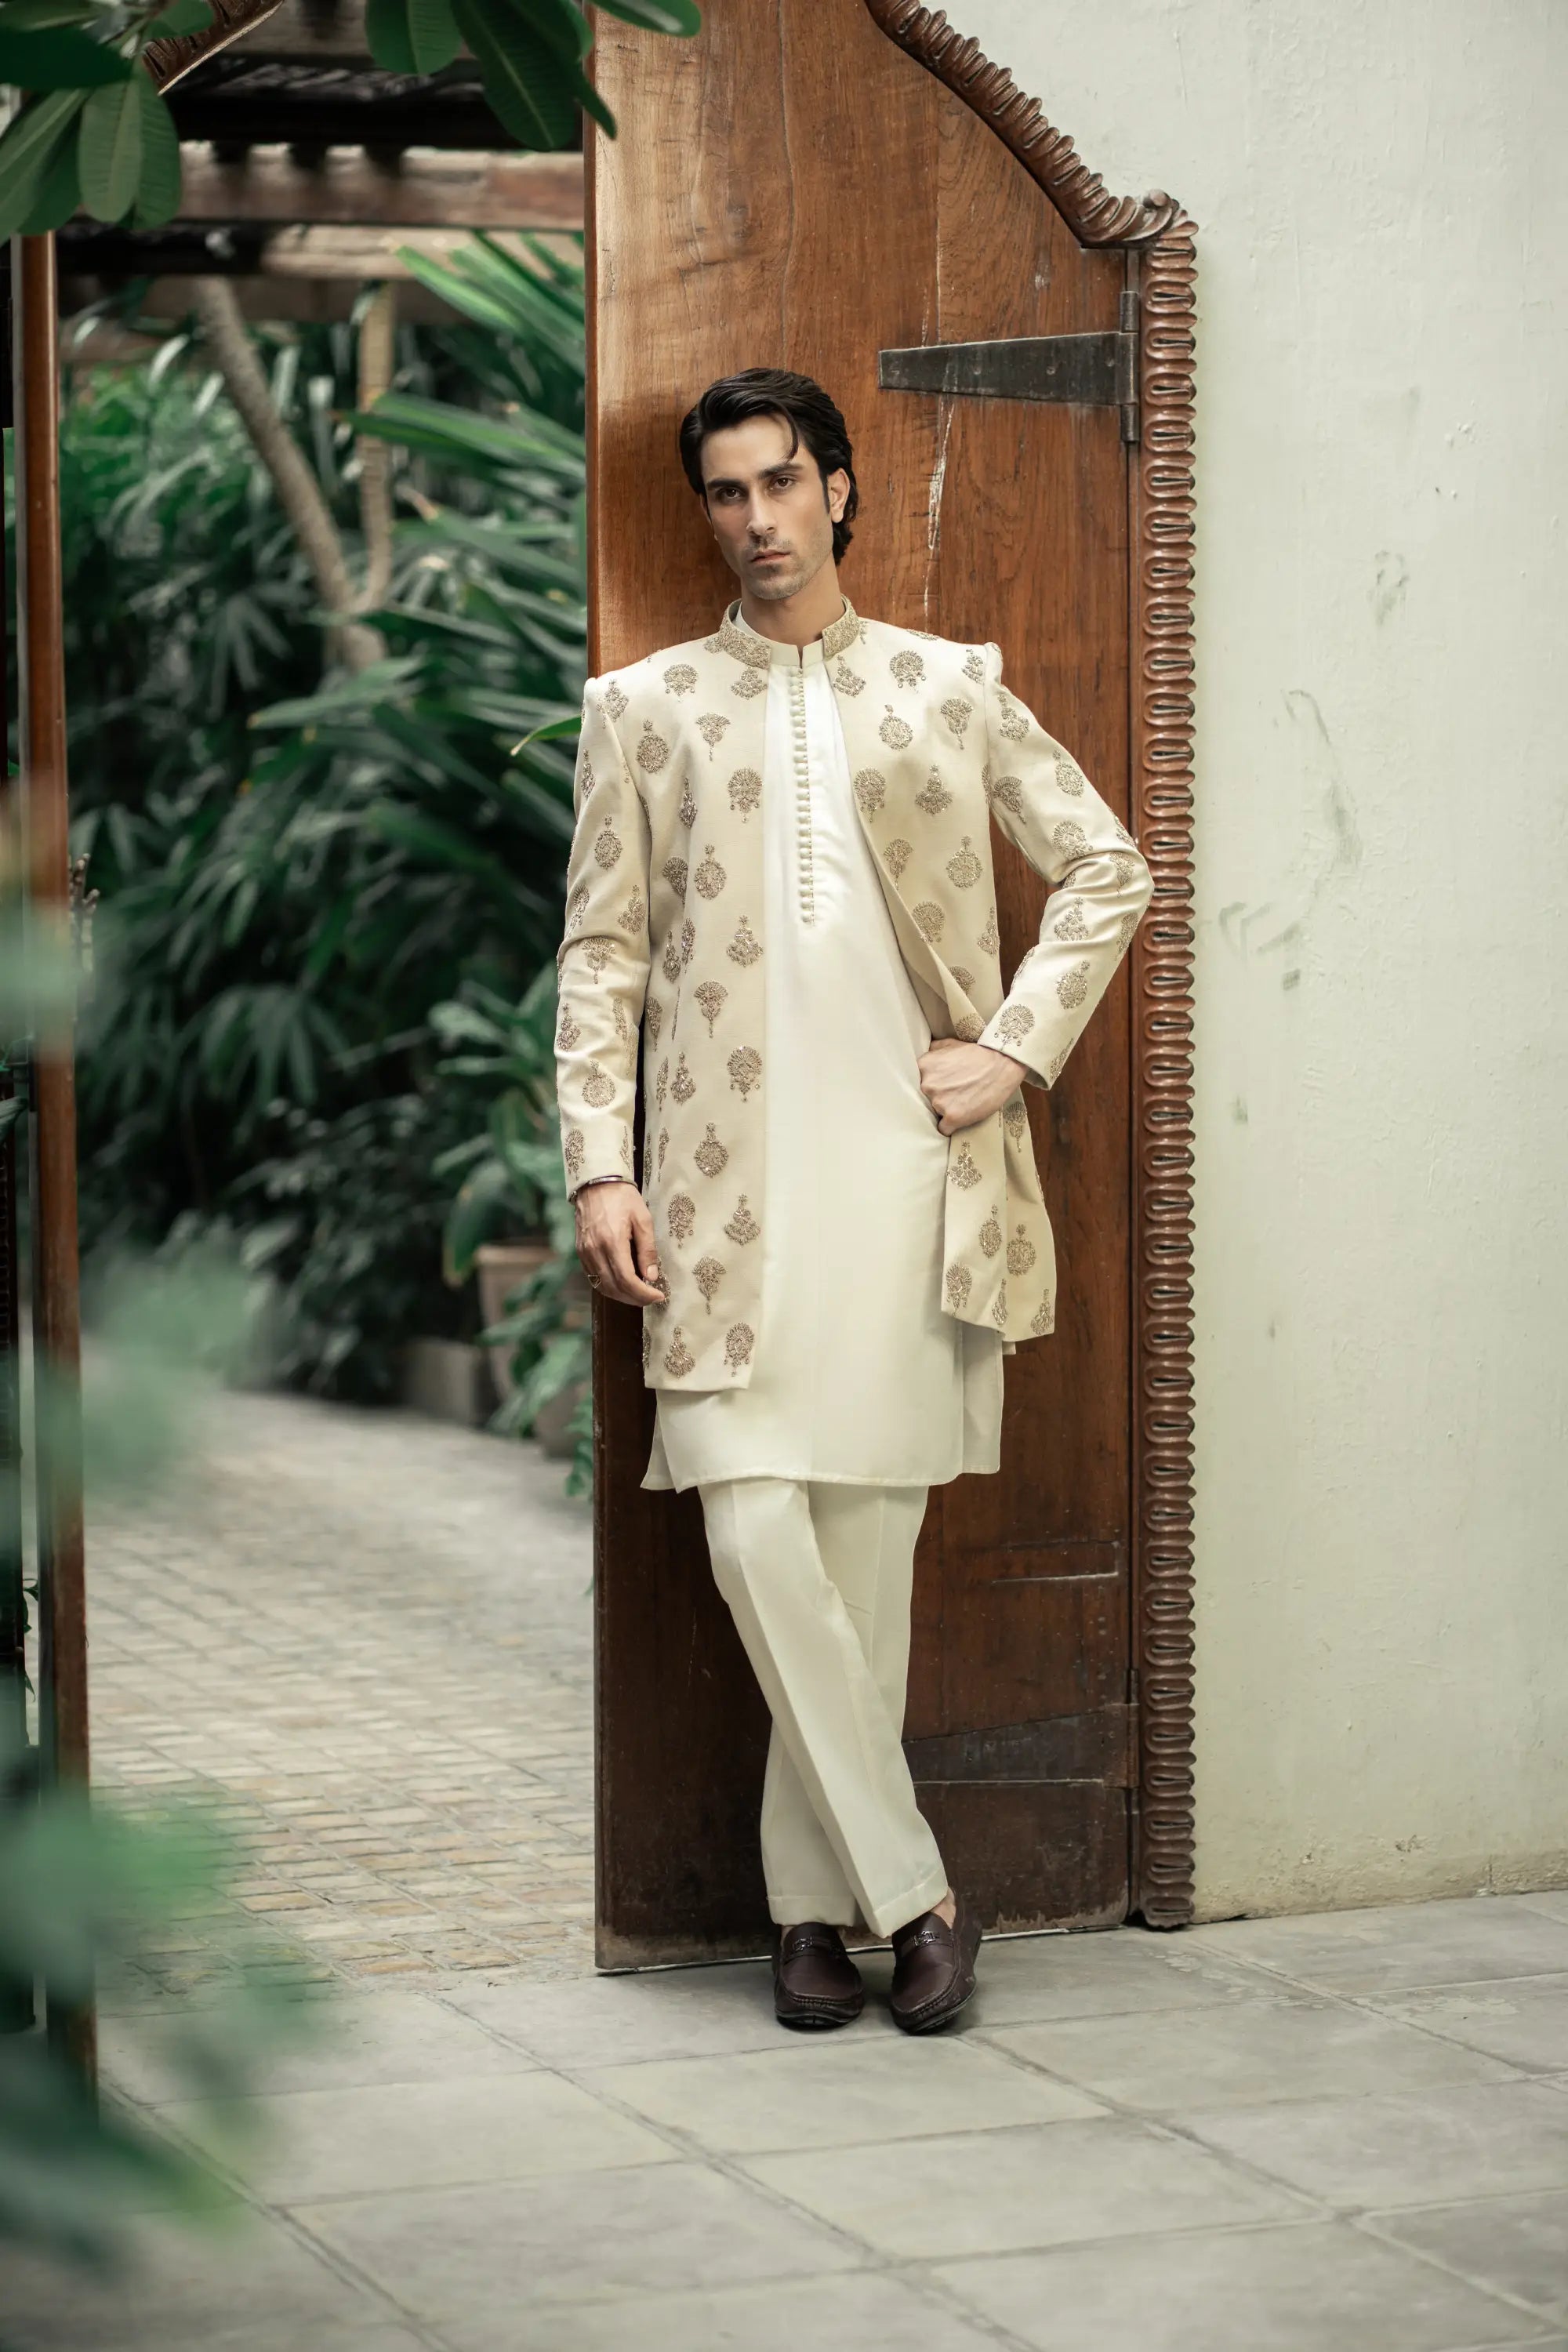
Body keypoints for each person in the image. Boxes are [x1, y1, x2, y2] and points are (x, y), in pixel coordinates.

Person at [554, 368, 1153, 2033]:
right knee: (752, 1527)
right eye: (725, 492)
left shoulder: (948, 686)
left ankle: (808, 1920)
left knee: (863, 1575)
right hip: (720, 1196)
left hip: (906, 1184)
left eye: (780, 482)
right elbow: (601, 958)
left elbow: (1108, 865)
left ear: (836, 488)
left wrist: (1014, 1049)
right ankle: (920, 1896)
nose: (755, 518)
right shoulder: (645, 708)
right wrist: (600, 1159)